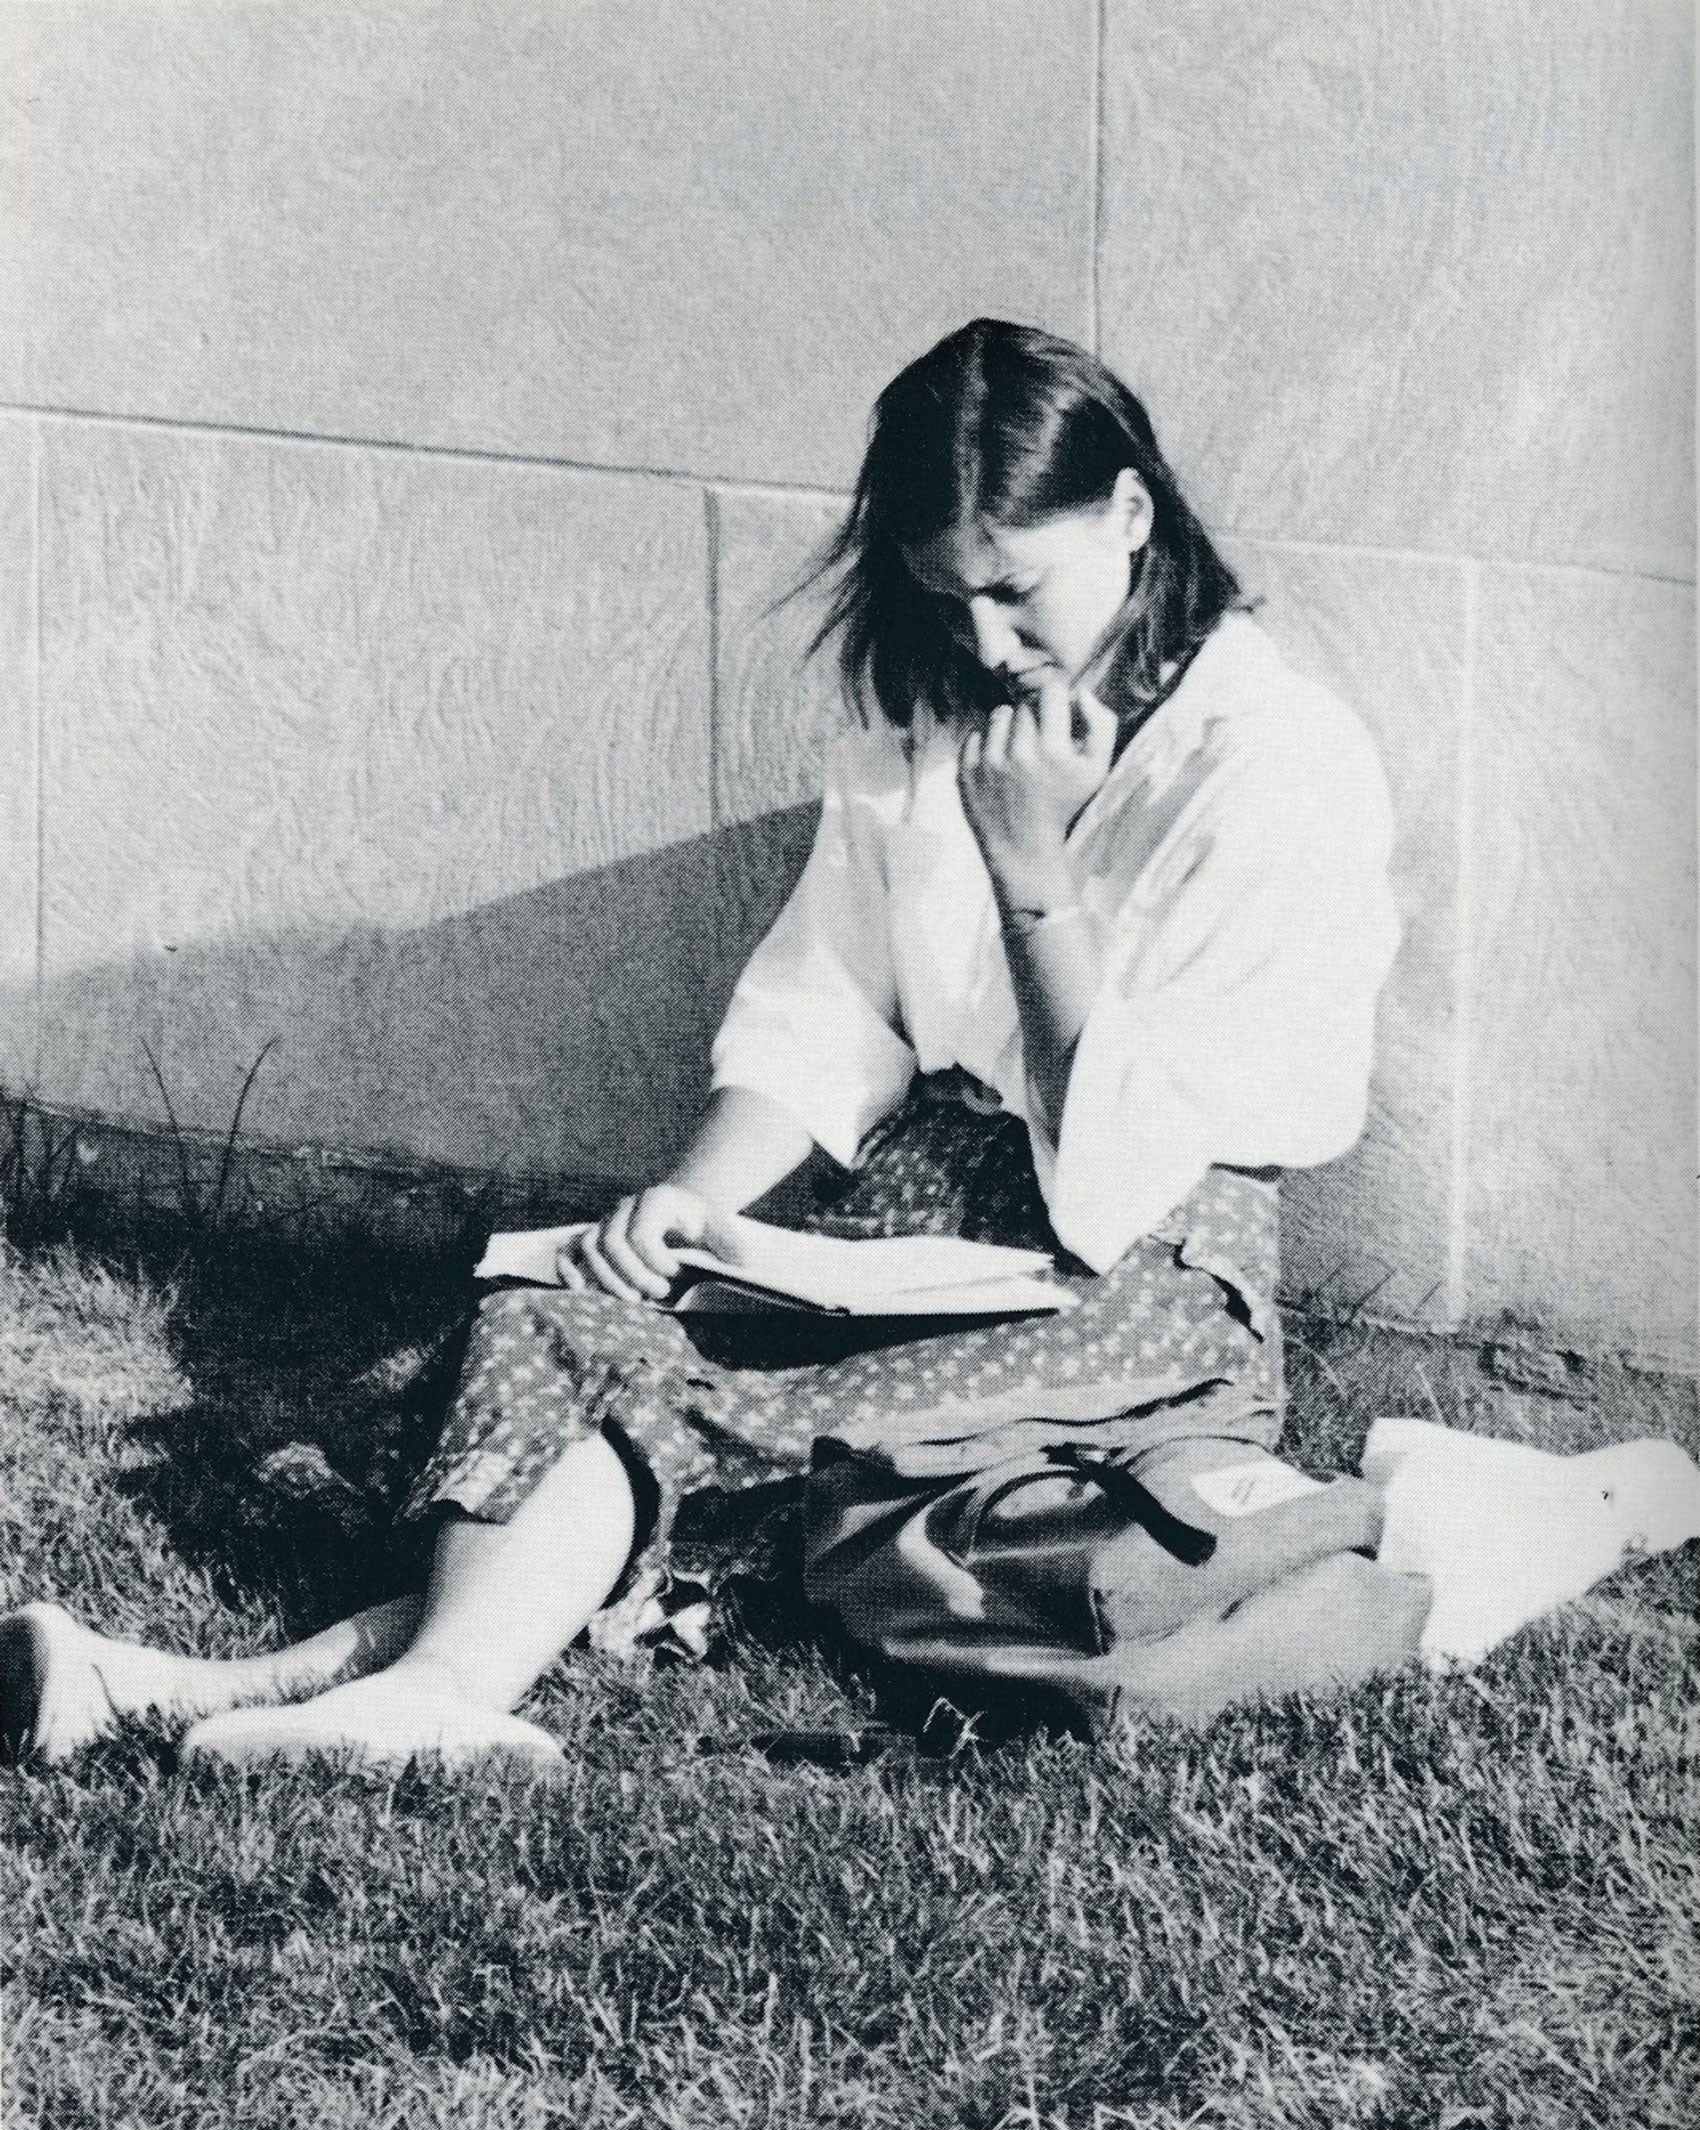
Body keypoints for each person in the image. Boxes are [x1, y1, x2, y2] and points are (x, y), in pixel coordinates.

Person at [2, 320, 1450, 1770]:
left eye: (1017, 591)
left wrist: (1031, 876)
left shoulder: (1273, 760)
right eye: (944, 598)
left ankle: (298, 1690)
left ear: (1131, 515)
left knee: (684, 1405)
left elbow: (1129, 1158)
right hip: (911, 1238)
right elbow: (829, 1012)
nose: (986, 644)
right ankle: (344, 1693)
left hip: (1136, 1277)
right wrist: (691, 1206)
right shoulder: (937, 723)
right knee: (563, 1319)